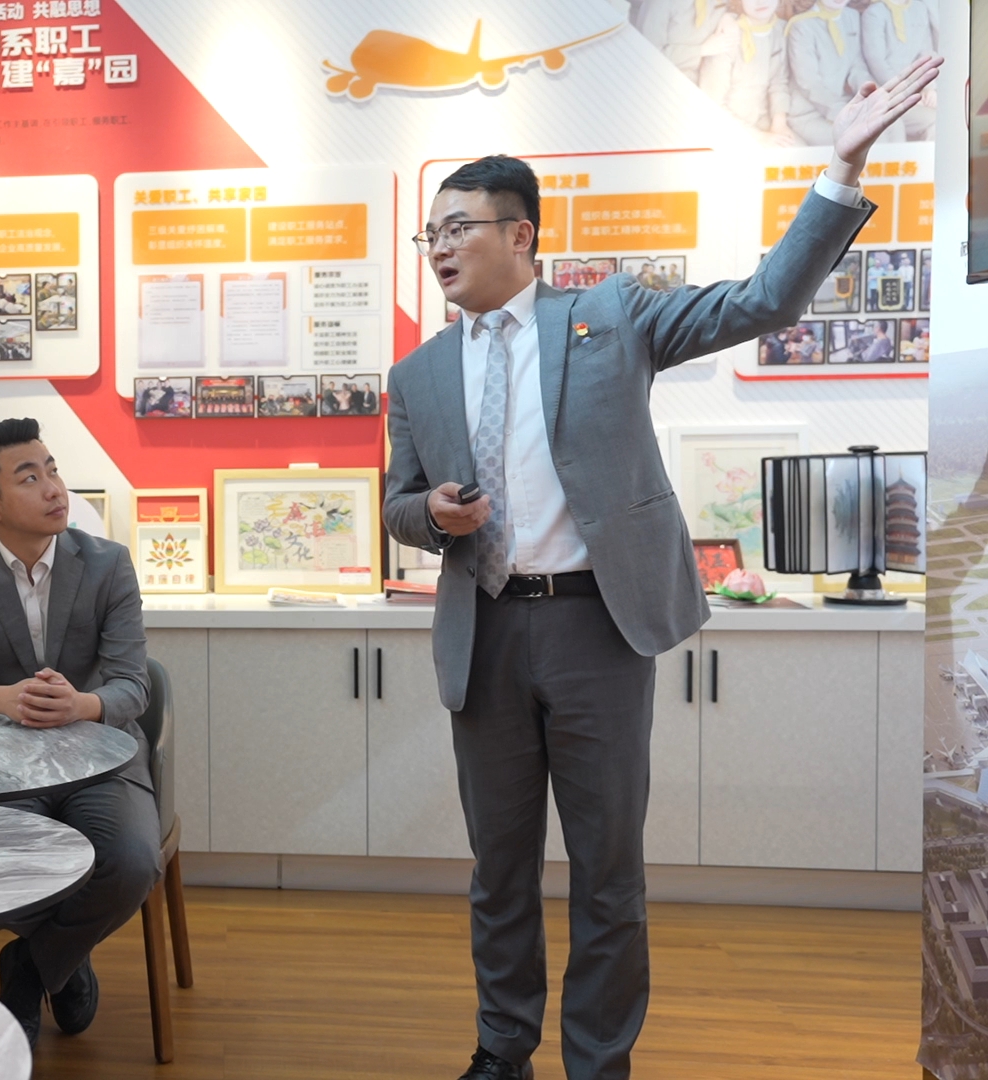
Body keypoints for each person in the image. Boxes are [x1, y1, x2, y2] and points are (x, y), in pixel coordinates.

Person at [382, 54, 937, 1080]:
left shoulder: (612, 316)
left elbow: (765, 301)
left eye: (458, 227)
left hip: (597, 630)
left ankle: (599, 1062)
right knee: (498, 870)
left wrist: (842, 169)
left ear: (521, 234)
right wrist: (434, 513)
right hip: (484, 633)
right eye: (431, 234)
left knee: (607, 870)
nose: (440, 248)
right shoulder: (416, 373)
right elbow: (398, 506)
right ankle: (502, 1049)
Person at [0, 417, 161, 1048]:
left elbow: (134, 685)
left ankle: (31, 964)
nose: (54, 488)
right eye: (29, 477)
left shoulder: (107, 563)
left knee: (131, 864)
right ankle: (63, 959)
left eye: (53, 470)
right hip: (5, 761)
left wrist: (82, 704)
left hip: (101, 755)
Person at [697, 0, 797, 144]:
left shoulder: (781, 29)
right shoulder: (727, 33)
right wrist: (759, 137)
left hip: (765, 121)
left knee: (800, 150)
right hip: (729, 127)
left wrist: (779, 124)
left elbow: (779, 82)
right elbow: (712, 103)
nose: (760, 2)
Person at [785, 0, 872, 146]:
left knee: (893, 128)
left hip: (843, 103)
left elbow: (856, 66)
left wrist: (872, 95)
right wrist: (842, 112)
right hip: (809, 113)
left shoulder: (851, 16)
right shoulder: (801, 25)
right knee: (859, 140)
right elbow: (809, 83)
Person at [860, 0, 938, 140]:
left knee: (940, 120)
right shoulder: (874, 13)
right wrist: (908, 92)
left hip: (915, 89)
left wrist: (928, 87)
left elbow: (925, 52)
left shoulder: (919, 8)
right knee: (929, 120)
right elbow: (877, 62)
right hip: (888, 94)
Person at [629, 0, 725, 79]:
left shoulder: (723, 5)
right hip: (655, 79)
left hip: (694, 84)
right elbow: (649, 55)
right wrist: (701, 50)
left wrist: (728, 16)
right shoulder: (660, 3)